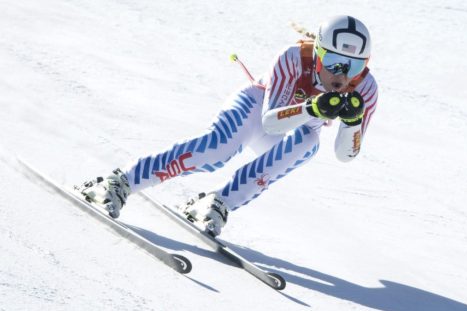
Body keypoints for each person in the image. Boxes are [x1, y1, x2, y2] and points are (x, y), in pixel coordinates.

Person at [79, 15, 378, 236]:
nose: (341, 74)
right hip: (256, 108)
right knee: (218, 150)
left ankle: (218, 202)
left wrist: (352, 123)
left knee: (308, 145)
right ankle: (121, 181)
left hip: (291, 128)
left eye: (353, 65)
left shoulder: (365, 89)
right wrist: (312, 107)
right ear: (318, 53)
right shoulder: (293, 58)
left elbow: (345, 155)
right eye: (334, 61)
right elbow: (269, 122)